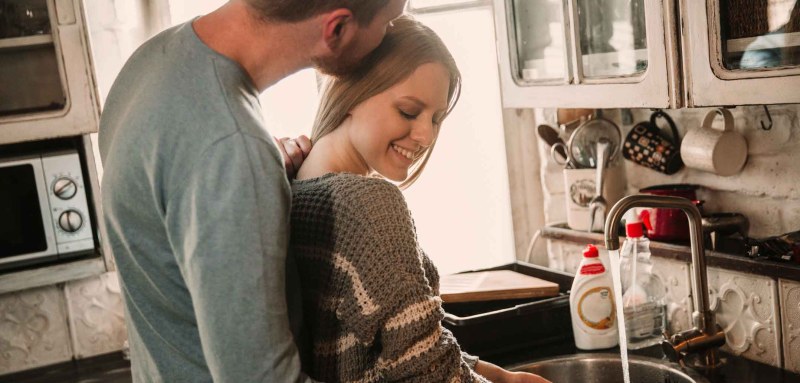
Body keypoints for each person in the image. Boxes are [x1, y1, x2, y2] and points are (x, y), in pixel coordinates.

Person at [97, 0, 406, 381]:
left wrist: (254, 181)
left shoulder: (151, 61)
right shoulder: (232, 148)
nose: (391, 34)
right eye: (390, 21)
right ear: (337, 29)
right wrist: (244, 173)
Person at [291, 16, 551, 383]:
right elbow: (429, 375)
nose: (426, 136)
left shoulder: (296, 185)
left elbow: (412, 351)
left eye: (437, 118)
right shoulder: (367, 205)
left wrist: (505, 379)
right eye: (409, 111)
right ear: (352, 91)